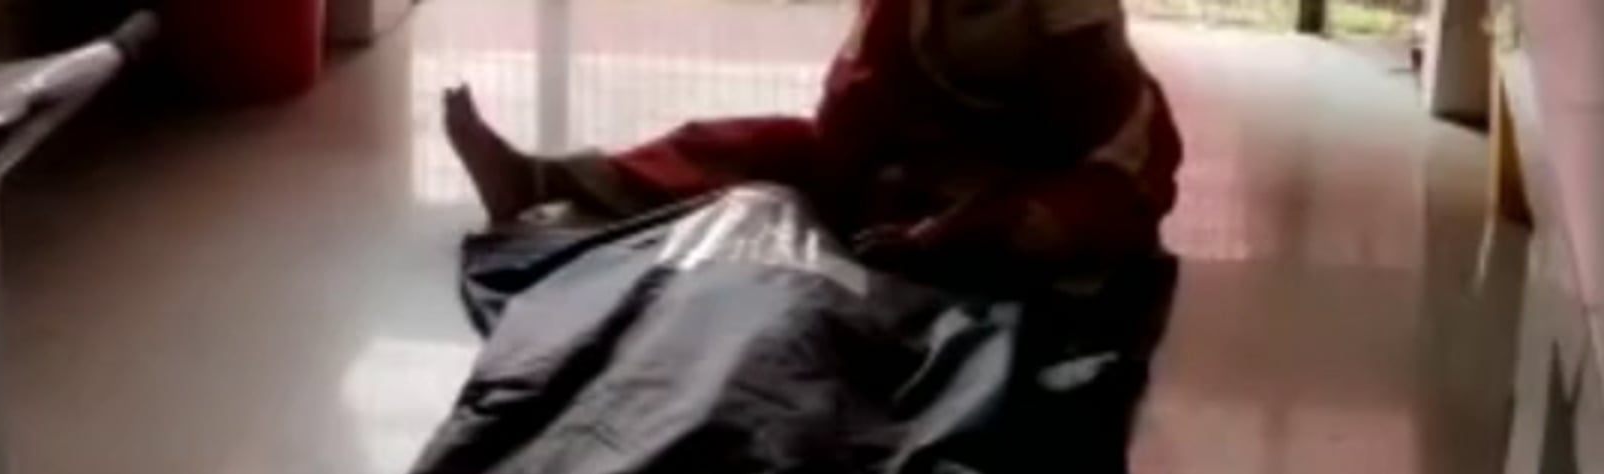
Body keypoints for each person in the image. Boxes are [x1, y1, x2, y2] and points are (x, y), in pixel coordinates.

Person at [443, 0, 1181, 270]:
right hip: (949, 139)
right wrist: (871, 188)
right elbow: (850, 111)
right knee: (769, 147)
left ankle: (961, 240)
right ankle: (543, 181)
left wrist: (949, 226)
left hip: (1082, 160)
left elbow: (1070, 131)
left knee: (1054, 224)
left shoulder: (1079, 28)